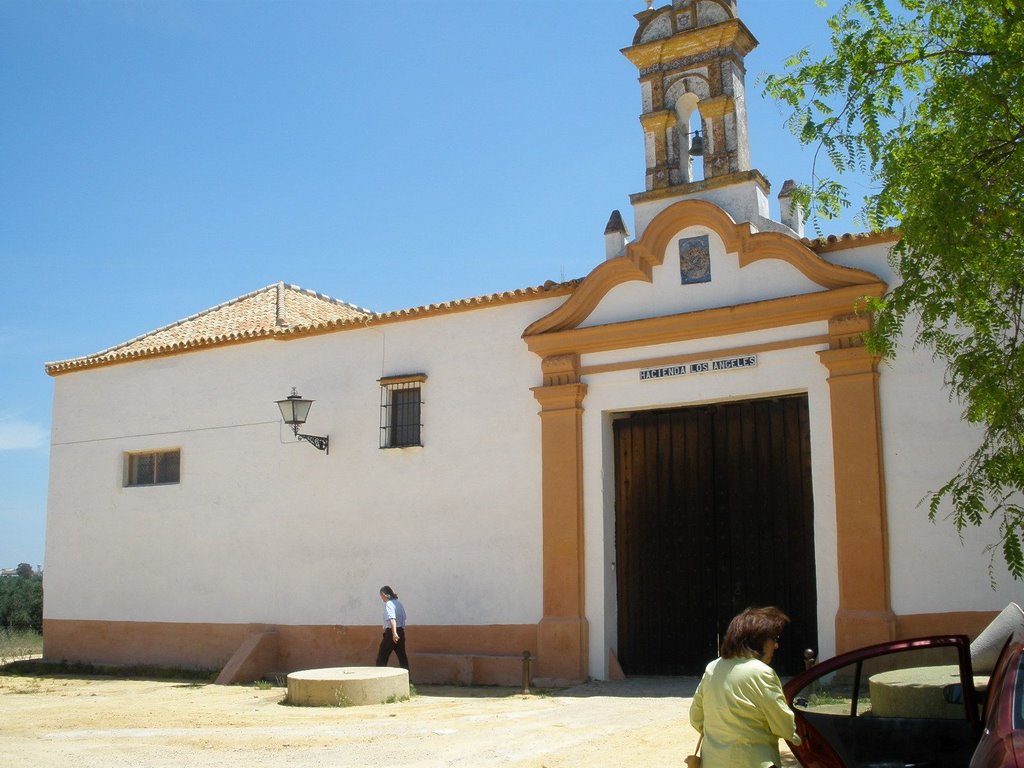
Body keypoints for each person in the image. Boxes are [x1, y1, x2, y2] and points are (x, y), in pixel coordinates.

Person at [689, 606, 801, 768]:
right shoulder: (762, 673)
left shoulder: (713, 668)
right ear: (759, 639)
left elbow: (696, 717)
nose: (776, 646)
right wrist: (797, 736)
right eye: (774, 638)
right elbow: (782, 724)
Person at [375, 585, 409, 671]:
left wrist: (394, 633)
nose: (381, 598)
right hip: (401, 631)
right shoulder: (399, 604)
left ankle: (379, 678)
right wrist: (400, 632)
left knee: (382, 657)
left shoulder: (389, 604)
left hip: (391, 633)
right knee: (402, 657)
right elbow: (403, 618)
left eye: (381, 596)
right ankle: (408, 680)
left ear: (384, 594)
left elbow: (392, 618)